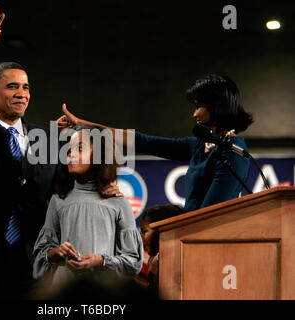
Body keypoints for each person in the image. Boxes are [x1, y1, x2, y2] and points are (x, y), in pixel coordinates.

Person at [0, 8, 120, 300]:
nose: (21, 93)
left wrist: (104, 184)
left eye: (25, 87)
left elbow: (72, 178)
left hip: (39, 255)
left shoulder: (46, 138)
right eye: (12, 86)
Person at [58, 75, 254, 212]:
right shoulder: (198, 145)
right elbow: (142, 142)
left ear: (217, 107)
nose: (194, 114)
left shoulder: (233, 152)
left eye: (199, 106)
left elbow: (211, 214)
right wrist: (84, 125)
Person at [32, 125, 143, 297]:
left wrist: (101, 260)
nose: (71, 154)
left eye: (80, 148)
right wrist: (53, 253)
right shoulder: (58, 200)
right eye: (69, 150)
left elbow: (133, 262)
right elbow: (40, 260)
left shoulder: (118, 203)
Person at [139, 204, 185, 298]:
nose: (140, 238)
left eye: (144, 232)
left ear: (163, 230)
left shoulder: (162, 262)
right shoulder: (155, 260)